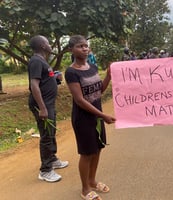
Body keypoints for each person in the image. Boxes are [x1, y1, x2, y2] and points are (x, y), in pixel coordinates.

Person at [65, 35, 116, 200]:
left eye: (86, 46)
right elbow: (80, 100)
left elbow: (98, 90)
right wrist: (103, 115)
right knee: (87, 153)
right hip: (83, 119)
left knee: (98, 149)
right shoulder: (71, 72)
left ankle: (92, 180)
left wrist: (108, 75)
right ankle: (85, 189)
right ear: (71, 49)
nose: (85, 49)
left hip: (97, 116)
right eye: (80, 46)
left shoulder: (92, 67)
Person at [28, 35, 68, 183]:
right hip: (42, 105)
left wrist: (54, 80)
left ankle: (52, 159)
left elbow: (44, 81)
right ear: (43, 46)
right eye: (48, 43)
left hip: (48, 103)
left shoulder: (42, 61)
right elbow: (34, 85)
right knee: (46, 135)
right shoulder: (36, 61)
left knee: (51, 132)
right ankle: (45, 171)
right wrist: (42, 108)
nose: (50, 45)